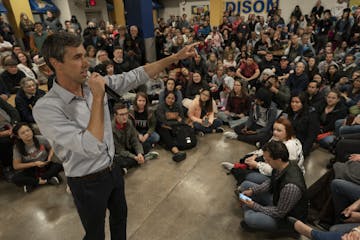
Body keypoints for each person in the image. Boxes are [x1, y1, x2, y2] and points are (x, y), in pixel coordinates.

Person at [33, 32, 197, 240]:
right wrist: (99, 95)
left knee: (120, 220)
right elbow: (90, 145)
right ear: (56, 63)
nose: (86, 63)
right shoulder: (47, 108)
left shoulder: (94, 85)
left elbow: (136, 75)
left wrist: (175, 58)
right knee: (95, 233)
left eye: (85, 55)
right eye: (77, 57)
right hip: (86, 182)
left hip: (113, 171)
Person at [238, 140, 307, 232]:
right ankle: (252, 207)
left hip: (286, 218)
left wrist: (254, 205)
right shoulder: (283, 165)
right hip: (277, 199)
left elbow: (279, 213)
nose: (265, 161)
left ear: (278, 159)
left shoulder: (291, 187)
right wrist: (252, 191)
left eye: (268, 160)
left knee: (250, 219)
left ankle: (251, 210)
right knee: (246, 185)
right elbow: (271, 182)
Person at [222, 117, 304, 185]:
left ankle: (235, 169)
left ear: (288, 132)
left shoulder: (289, 147)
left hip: (281, 176)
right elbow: (266, 148)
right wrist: (254, 156)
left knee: (249, 175)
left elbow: (279, 170)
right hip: (273, 162)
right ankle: (240, 167)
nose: (275, 132)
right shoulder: (278, 137)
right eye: (274, 129)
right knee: (246, 158)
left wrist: (257, 165)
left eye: (279, 130)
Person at [12, 122, 63, 193]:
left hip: (45, 165)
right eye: (23, 133)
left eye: (28, 130)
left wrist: (49, 157)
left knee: (60, 165)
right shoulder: (17, 147)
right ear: (18, 136)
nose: (27, 133)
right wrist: (34, 163)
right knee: (15, 178)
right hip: (31, 169)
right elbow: (16, 166)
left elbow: (52, 147)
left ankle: (33, 183)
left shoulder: (40, 139)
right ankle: (47, 180)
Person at [112, 103, 159, 173]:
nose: (125, 117)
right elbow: (119, 150)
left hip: (129, 148)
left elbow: (135, 140)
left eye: (126, 113)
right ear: (115, 116)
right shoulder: (111, 129)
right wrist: (134, 157)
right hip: (120, 153)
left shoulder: (129, 122)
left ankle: (130, 166)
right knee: (119, 161)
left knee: (146, 145)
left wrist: (139, 153)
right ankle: (142, 159)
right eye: (121, 115)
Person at [156, 91, 187, 162]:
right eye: (168, 98)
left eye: (172, 98)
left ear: (175, 99)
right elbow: (163, 121)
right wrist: (176, 119)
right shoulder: (161, 107)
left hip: (174, 127)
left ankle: (185, 144)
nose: (170, 100)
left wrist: (173, 123)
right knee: (164, 130)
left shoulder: (178, 106)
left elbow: (182, 119)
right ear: (165, 98)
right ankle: (176, 152)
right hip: (163, 127)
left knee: (184, 129)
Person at [286, 93, 320, 157]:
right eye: (292, 102)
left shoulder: (311, 115)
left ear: (303, 103)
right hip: (288, 138)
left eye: (297, 102)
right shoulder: (289, 111)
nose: (294, 104)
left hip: (301, 142)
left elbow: (311, 137)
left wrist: (303, 153)